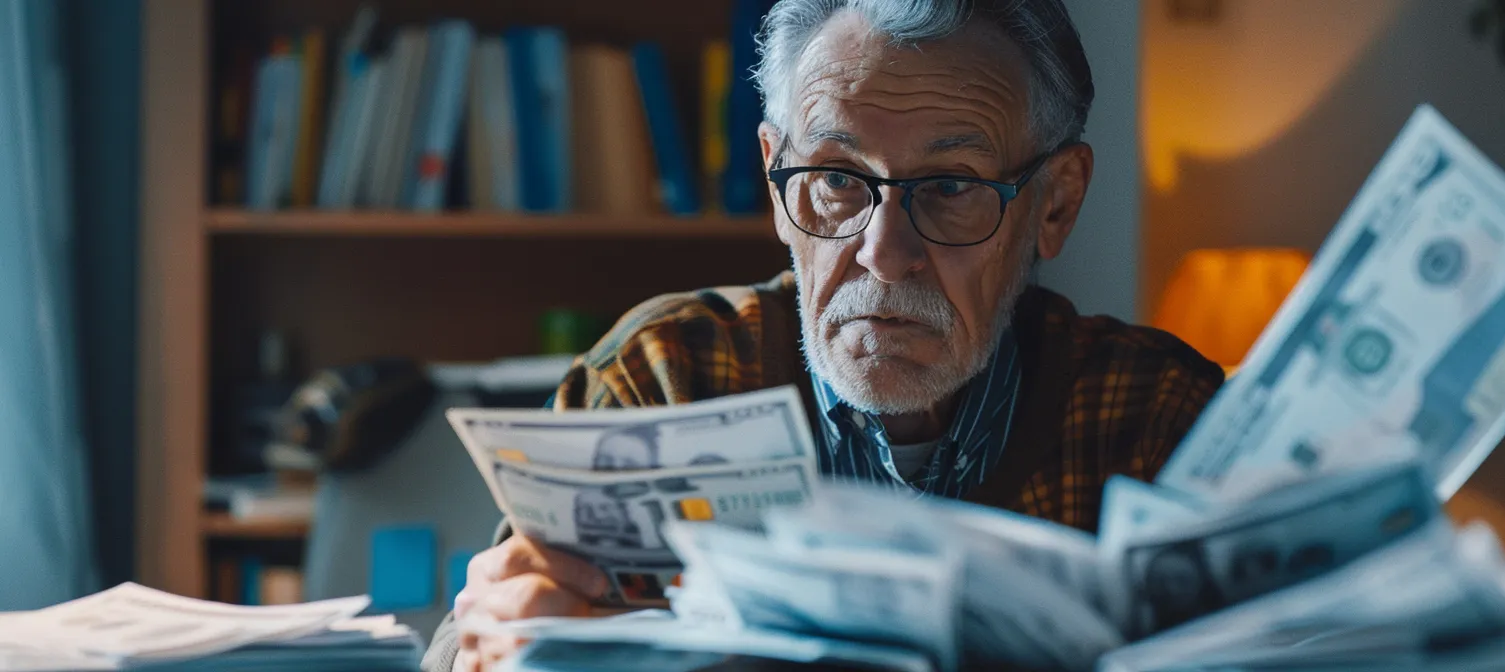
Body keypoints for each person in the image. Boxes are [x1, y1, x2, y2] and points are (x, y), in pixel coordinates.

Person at [432, 0, 1225, 669]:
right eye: (839, 181)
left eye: (950, 187)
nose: (884, 253)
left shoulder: (1156, 418)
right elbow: (493, 629)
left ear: (1055, 204)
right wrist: (487, 642)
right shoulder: (665, 378)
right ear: (779, 186)